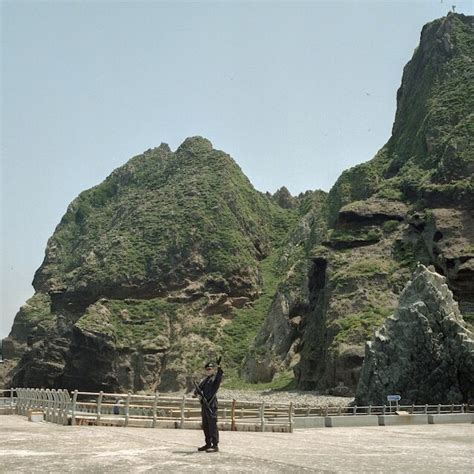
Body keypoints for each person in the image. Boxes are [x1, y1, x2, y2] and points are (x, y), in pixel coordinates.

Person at [193, 357, 223, 453]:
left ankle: (215, 445)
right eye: (207, 369)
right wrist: (196, 394)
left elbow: (219, 375)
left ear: (213, 370)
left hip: (211, 405)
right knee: (205, 425)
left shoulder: (215, 379)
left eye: (210, 369)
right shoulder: (205, 380)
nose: (208, 371)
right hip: (205, 405)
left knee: (212, 425)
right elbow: (198, 389)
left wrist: (219, 367)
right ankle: (208, 443)